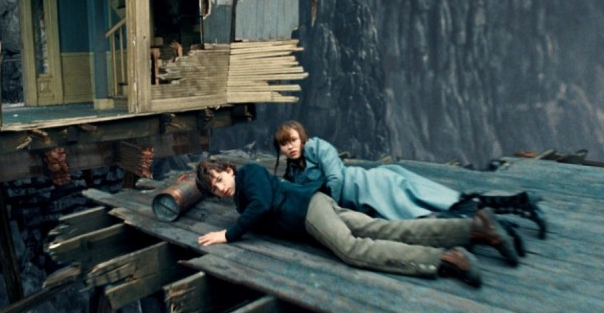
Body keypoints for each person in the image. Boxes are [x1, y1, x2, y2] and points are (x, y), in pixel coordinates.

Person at [195, 159, 520, 288]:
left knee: (353, 250)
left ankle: (445, 259)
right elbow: (256, 209)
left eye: (220, 179)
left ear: (229, 170)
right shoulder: (242, 197)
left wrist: (229, 234)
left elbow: (262, 205)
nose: (220, 188)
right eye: (214, 190)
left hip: (309, 212)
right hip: (317, 207)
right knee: (383, 230)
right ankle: (473, 228)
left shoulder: (250, 174)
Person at [273, 121, 547, 239]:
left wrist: (327, 207)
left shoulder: (317, 147)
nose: (290, 147)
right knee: (437, 208)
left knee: (438, 208)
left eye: (293, 140)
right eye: (284, 144)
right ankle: (514, 209)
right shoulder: (293, 172)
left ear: (302, 137)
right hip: (363, 202)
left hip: (372, 187)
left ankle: (511, 213)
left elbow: (335, 177)